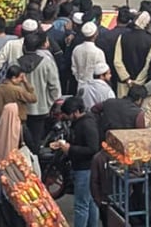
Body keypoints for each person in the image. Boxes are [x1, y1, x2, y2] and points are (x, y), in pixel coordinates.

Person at [52, 96, 100, 227]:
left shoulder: (87, 124)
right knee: (90, 202)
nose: (66, 117)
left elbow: (93, 148)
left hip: (85, 169)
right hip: (83, 167)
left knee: (81, 205)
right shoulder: (80, 122)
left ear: (76, 112)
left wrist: (70, 148)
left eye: (68, 114)